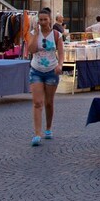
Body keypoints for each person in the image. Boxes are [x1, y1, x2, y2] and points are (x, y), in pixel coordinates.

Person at [27, 8, 63, 146]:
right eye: (40, 20)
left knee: (49, 102)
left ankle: (48, 127)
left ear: (50, 20)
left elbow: (61, 53)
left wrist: (60, 65)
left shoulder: (57, 35)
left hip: (51, 71)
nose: (42, 22)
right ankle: (37, 133)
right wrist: (36, 34)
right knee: (37, 102)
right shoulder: (33, 33)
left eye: (45, 19)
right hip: (36, 70)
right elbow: (31, 50)